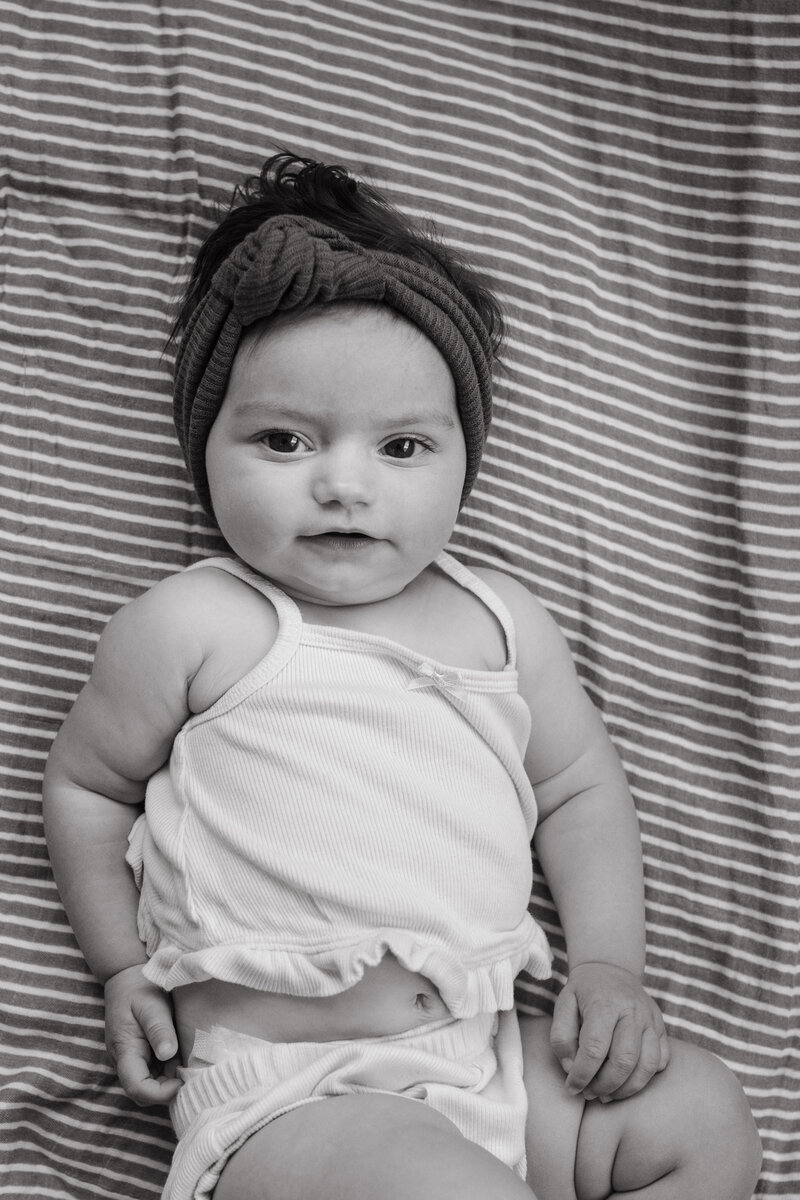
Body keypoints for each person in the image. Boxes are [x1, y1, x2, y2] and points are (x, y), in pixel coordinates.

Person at [43, 152, 761, 1200]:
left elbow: (576, 791)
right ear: (205, 450)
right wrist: (118, 967)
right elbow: (86, 788)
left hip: (501, 1061)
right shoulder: (195, 623)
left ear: (466, 457)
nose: (342, 484)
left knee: (699, 1114)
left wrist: (607, 967)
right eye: (283, 440)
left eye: (403, 447)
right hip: (295, 1099)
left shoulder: (501, 621)